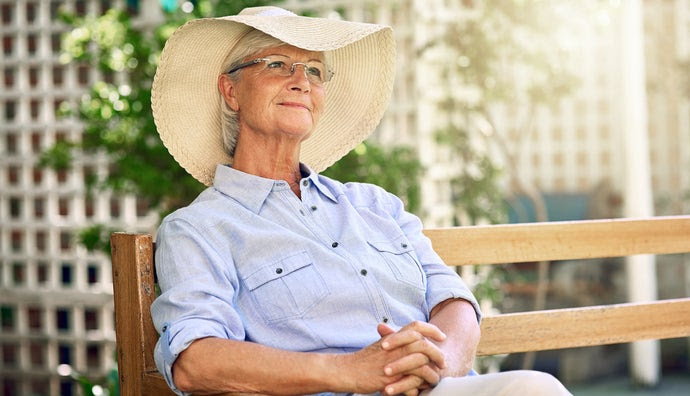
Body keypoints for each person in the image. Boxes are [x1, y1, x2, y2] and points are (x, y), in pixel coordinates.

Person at [150, 6, 572, 396]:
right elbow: (194, 361)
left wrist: (436, 367)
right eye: (277, 64)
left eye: (315, 70)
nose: (302, 80)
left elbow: (454, 301)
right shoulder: (198, 228)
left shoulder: (375, 205)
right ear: (231, 91)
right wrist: (351, 370)